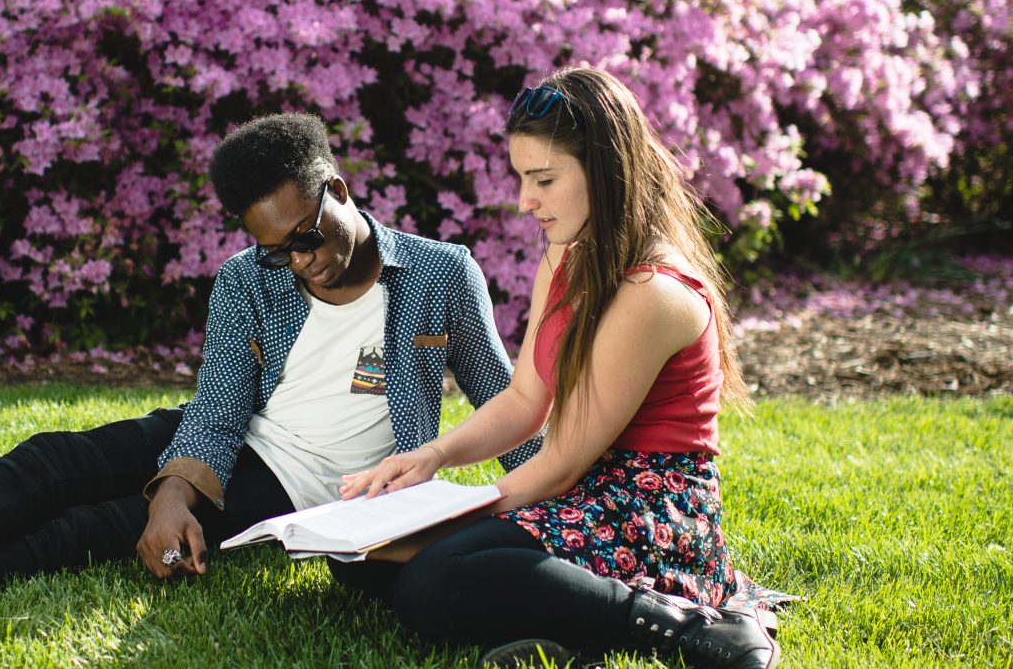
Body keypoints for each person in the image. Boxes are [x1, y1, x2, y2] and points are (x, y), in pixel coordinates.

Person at [0, 112, 546, 635]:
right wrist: (177, 489)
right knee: (50, 463)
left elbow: (504, 398)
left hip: (306, 491)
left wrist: (561, 510)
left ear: (337, 185)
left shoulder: (440, 274)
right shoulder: (247, 277)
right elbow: (219, 407)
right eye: (276, 250)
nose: (301, 262)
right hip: (238, 441)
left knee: (86, 530)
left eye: (307, 234)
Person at [336, 67, 788, 669]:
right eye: (523, 178)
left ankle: (681, 626)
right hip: (583, 493)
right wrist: (434, 458)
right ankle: (568, 627)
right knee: (359, 557)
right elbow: (526, 399)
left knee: (432, 582)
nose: (526, 201)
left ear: (605, 171)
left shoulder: (653, 293)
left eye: (543, 179)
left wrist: (447, 518)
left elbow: (562, 461)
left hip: (646, 511)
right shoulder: (567, 250)